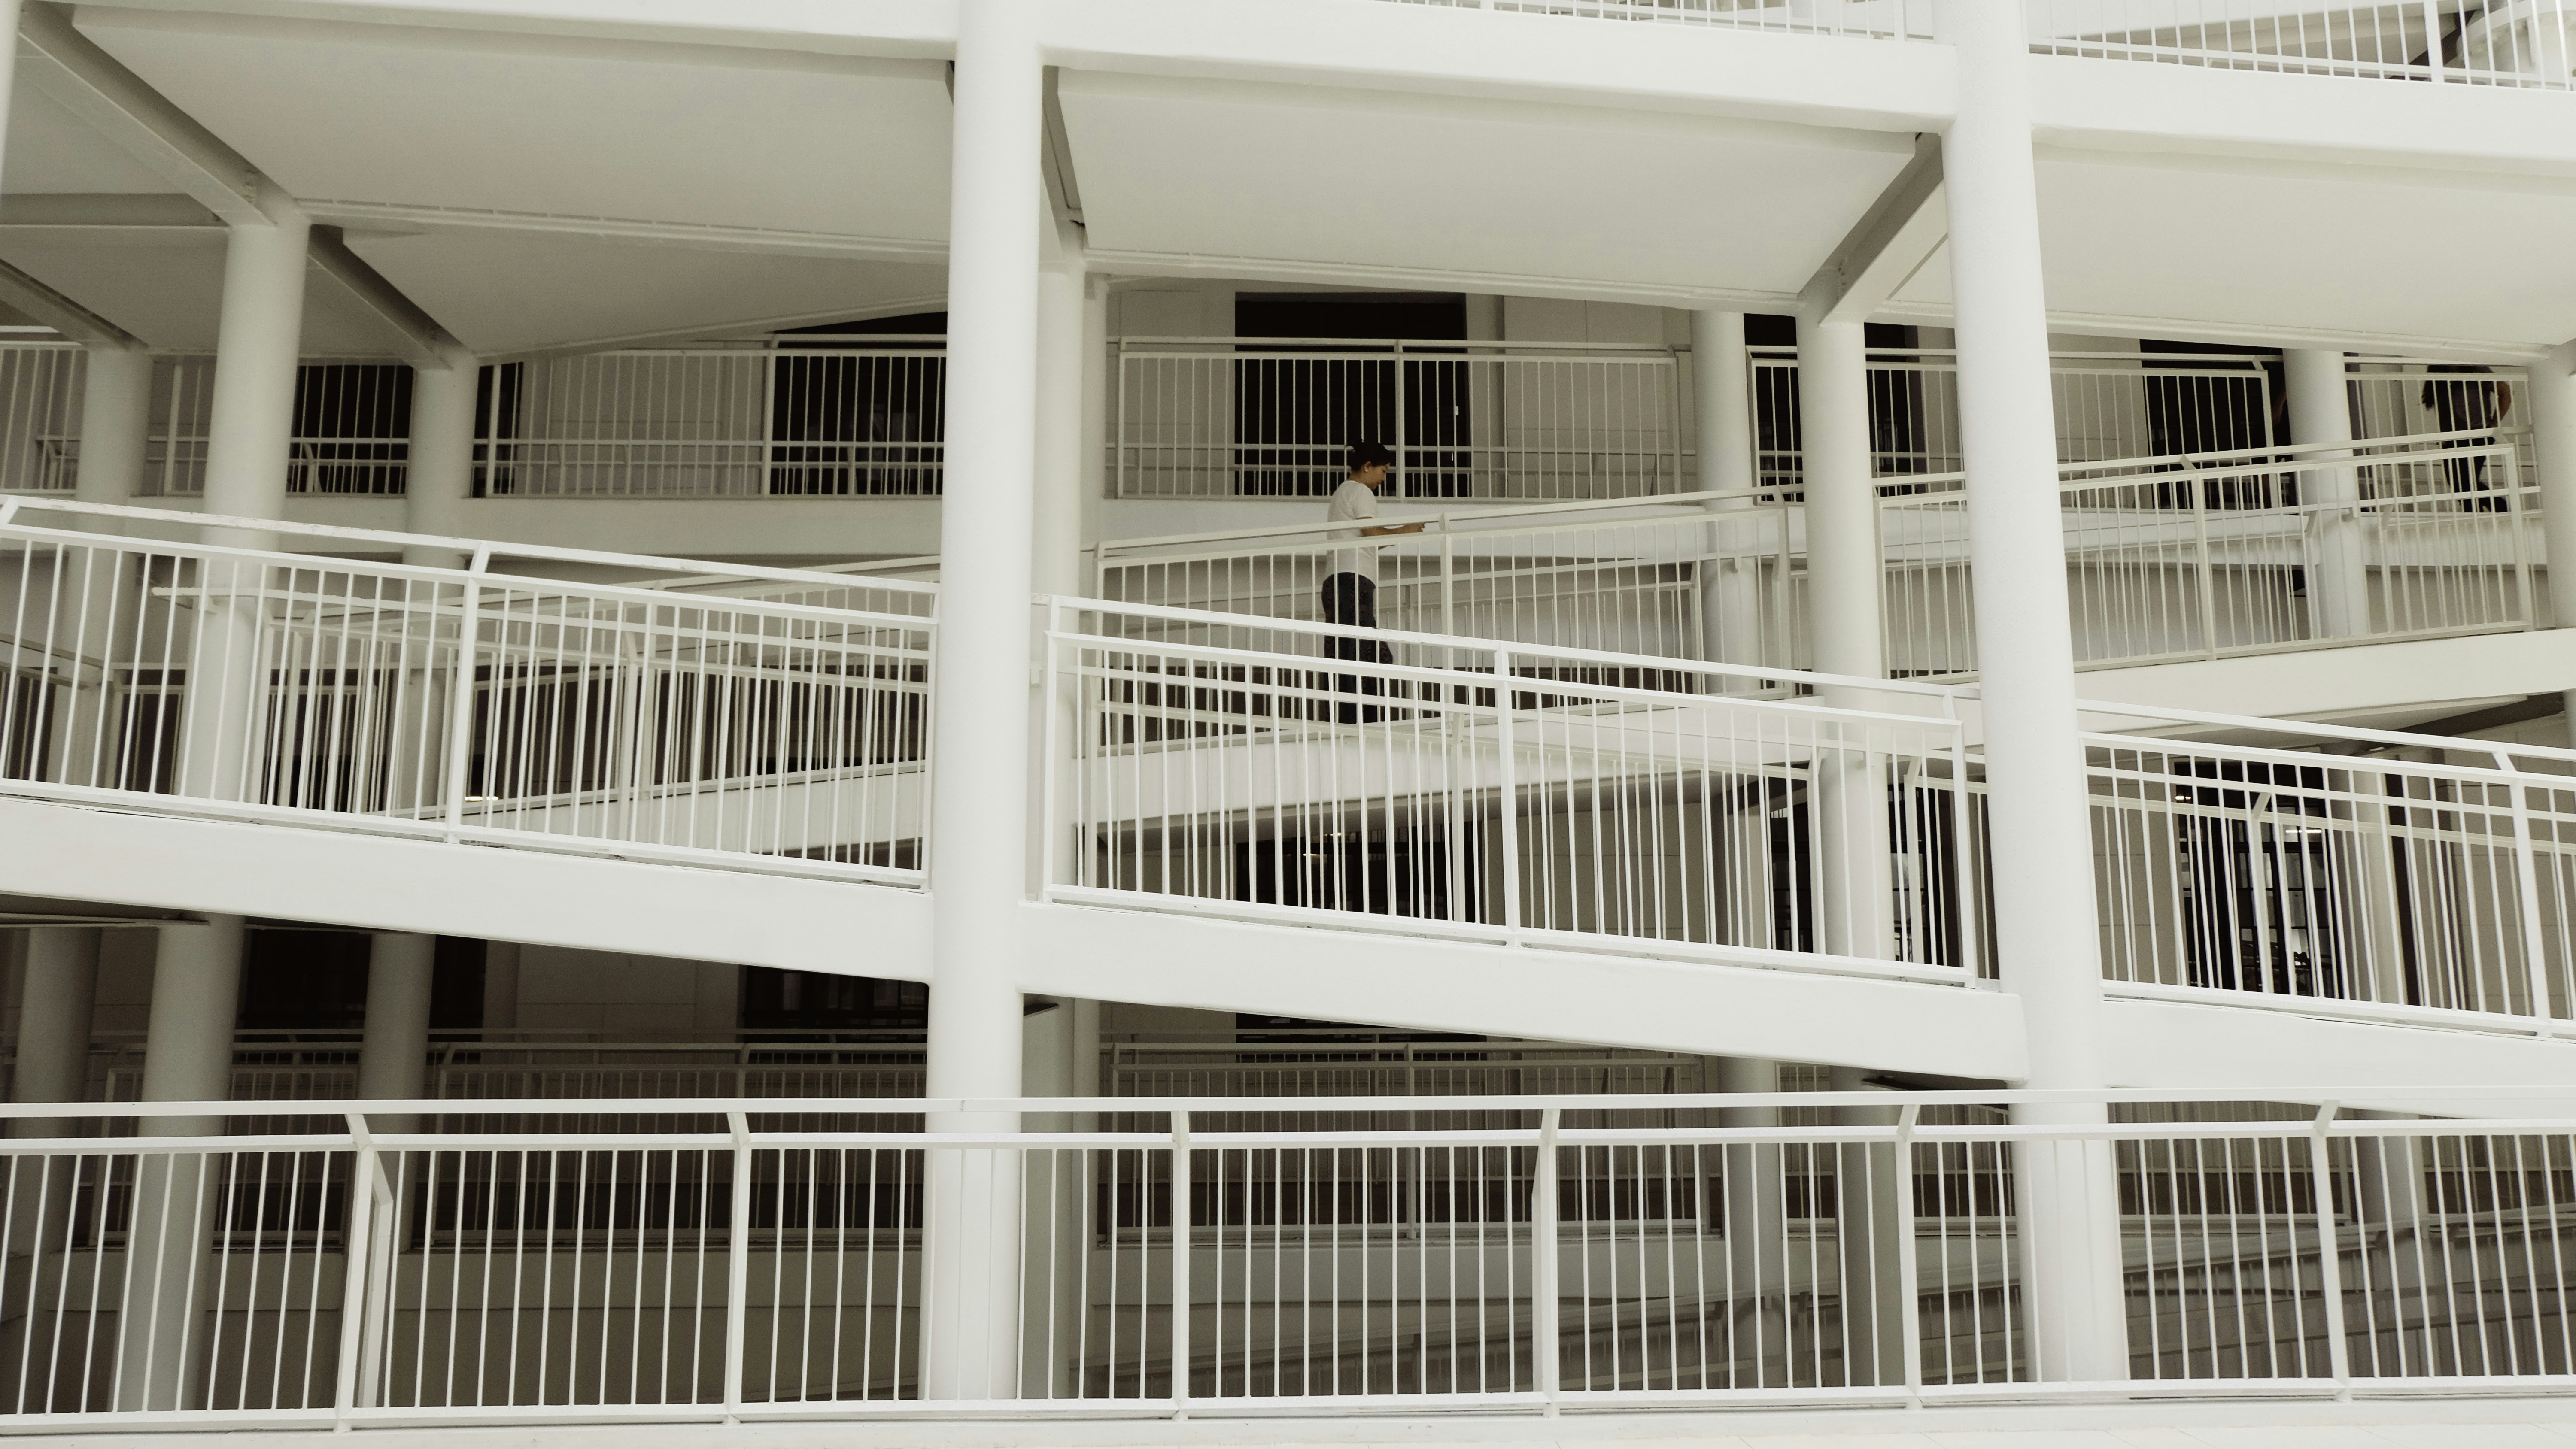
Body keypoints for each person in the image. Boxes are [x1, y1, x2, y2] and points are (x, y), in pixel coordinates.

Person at [1319, 441, 1425, 722]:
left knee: (1347, 651)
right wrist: (1406, 530)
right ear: (1368, 467)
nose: (1383, 478)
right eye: (1383, 471)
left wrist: (1401, 533)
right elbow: (1373, 535)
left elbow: (1370, 540)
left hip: (1339, 579)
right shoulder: (1360, 491)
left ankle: (1344, 716)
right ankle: (1360, 719)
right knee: (1365, 652)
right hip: (1352, 578)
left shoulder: (1342, 493)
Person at [2421, 364, 2513, 507]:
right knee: (2460, 488)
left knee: (2465, 486)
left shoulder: (2476, 370)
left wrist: (2495, 423)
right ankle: (2493, 513)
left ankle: (2502, 510)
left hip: (2477, 435)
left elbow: (2505, 392)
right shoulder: (2437, 371)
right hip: (2451, 439)